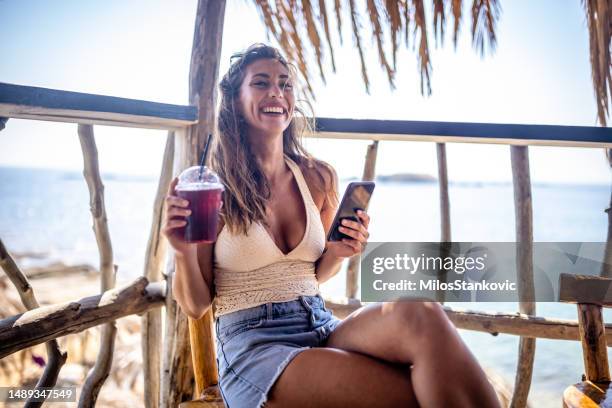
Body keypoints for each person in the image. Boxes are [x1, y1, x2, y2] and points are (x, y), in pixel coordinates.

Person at [163, 44, 500, 408]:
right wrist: (181, 250)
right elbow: (196, 305)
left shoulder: (317, 176)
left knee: (421, 313)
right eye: (261, 83)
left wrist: (338, 252)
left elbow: (314, 274)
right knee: (420, 391)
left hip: (320, 323)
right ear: (234, 101)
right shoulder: (211, 188)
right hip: (254, 346)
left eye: (285, 84)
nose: (276, 92)